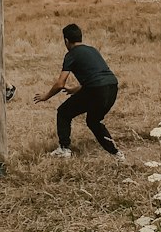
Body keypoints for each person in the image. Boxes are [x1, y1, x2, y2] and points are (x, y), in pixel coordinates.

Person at [34, 23, 122, 160]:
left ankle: (64, 148)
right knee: (93, 121)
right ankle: (116, 153)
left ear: (66, 40)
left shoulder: (71, 54)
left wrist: (45, 96)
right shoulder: (92, 50)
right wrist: (75, 90)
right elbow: (97, 75)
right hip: (112, 87)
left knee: (63, 112)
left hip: (96, 90)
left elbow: (60, 83)